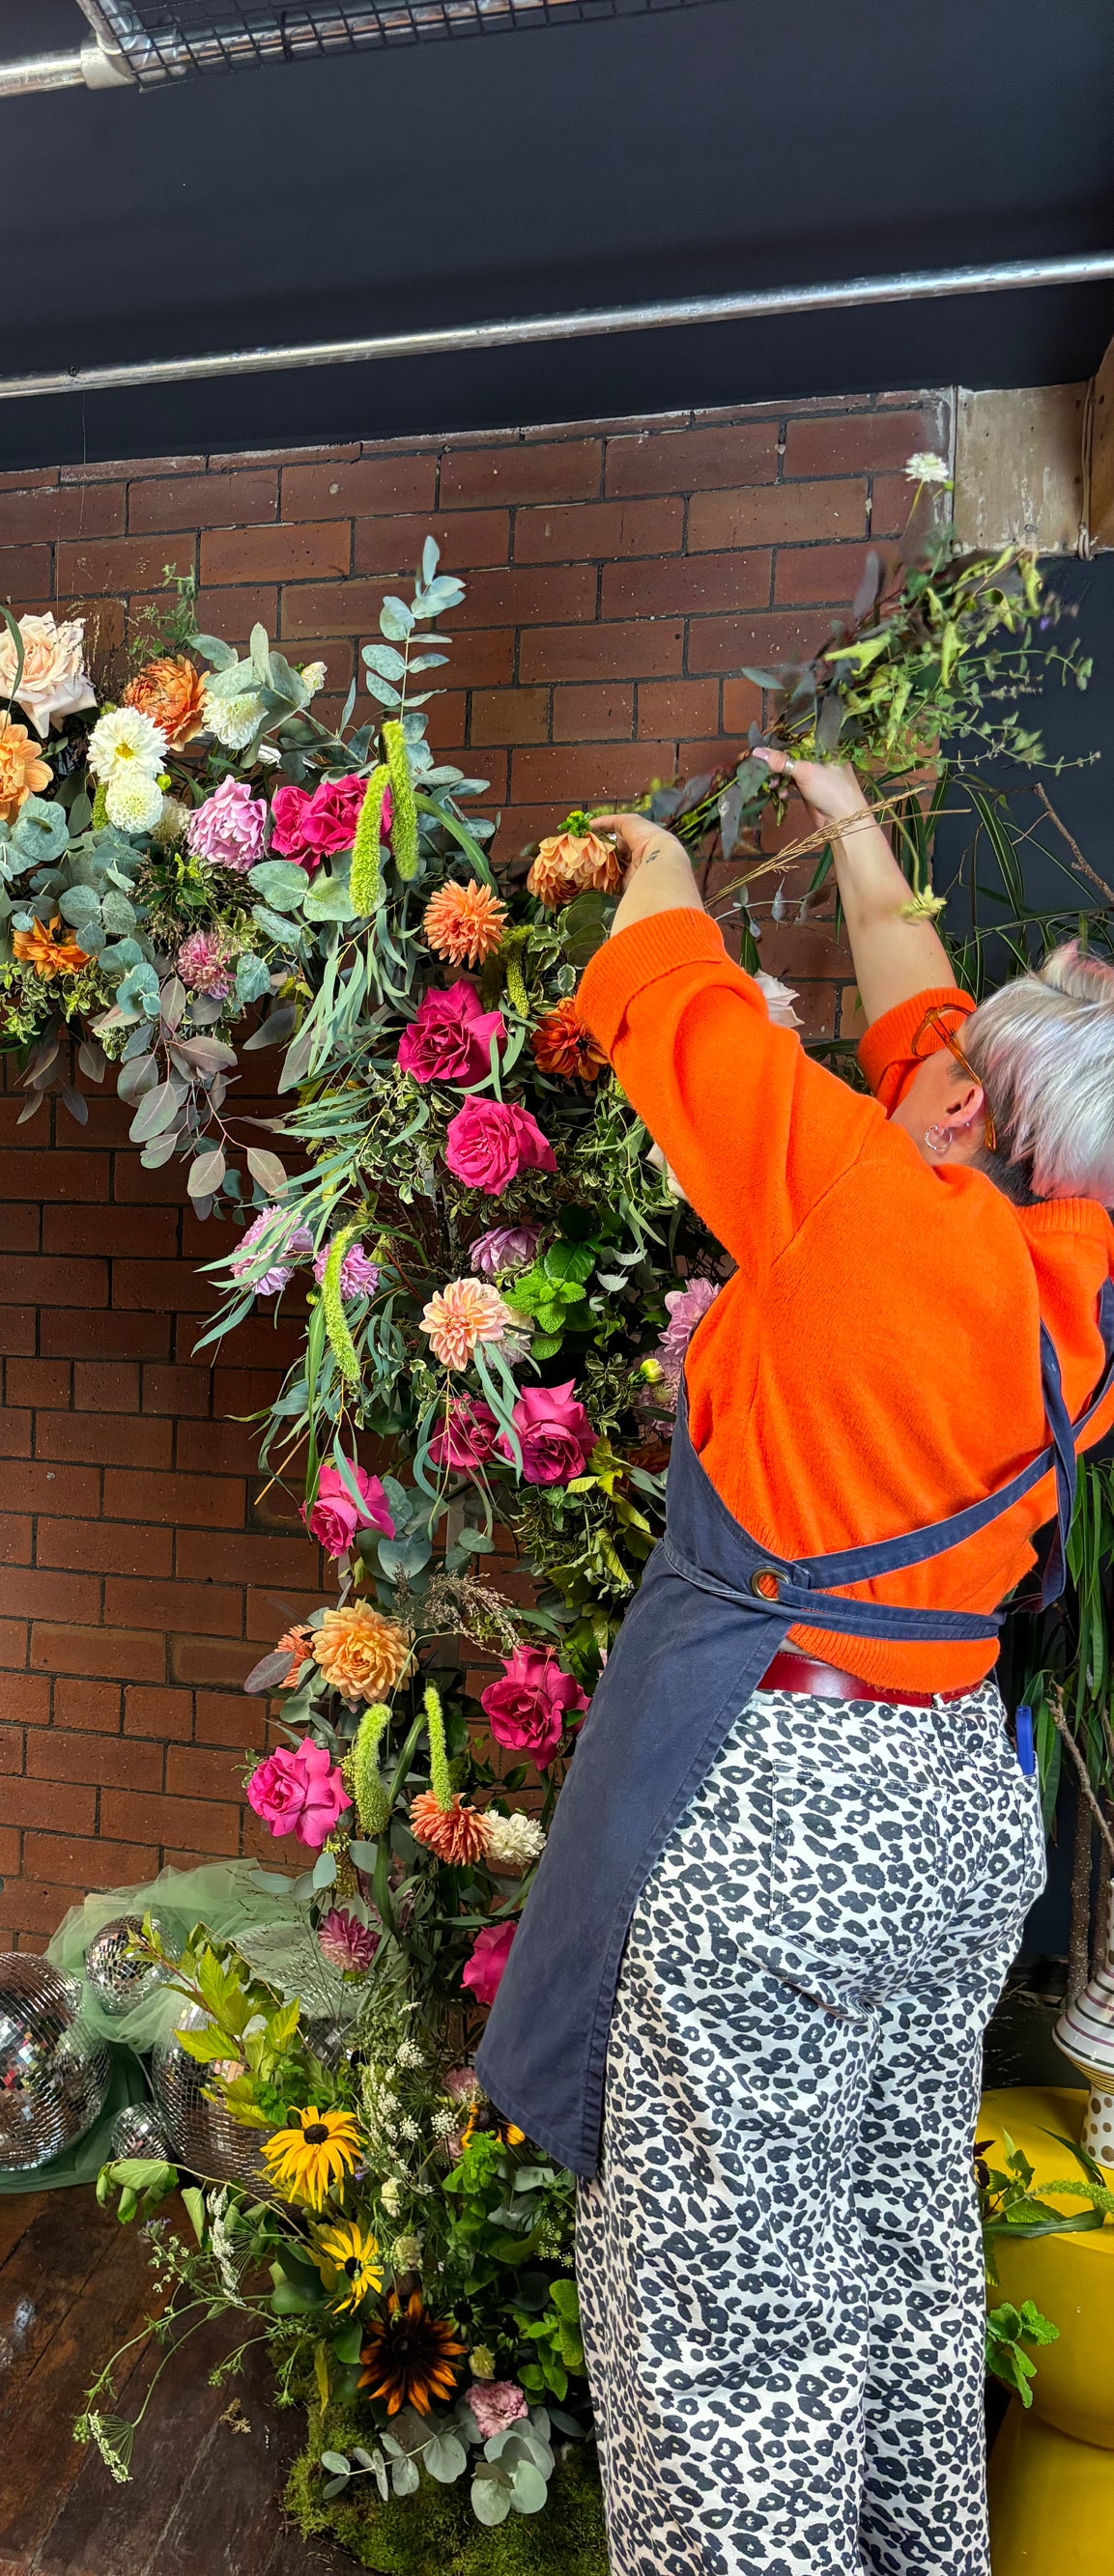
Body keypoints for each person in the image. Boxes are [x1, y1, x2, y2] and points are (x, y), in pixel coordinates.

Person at [475, 756, 1114, 2576]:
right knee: (900, 2242)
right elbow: (930, 998)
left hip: (780, 1818)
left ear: (974, 1111)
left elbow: (673, 1005)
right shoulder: (1085, 1274)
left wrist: (662, 864)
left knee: (727, 2312)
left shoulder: (856, 1201)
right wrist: (847, 825)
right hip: (951, 1827)